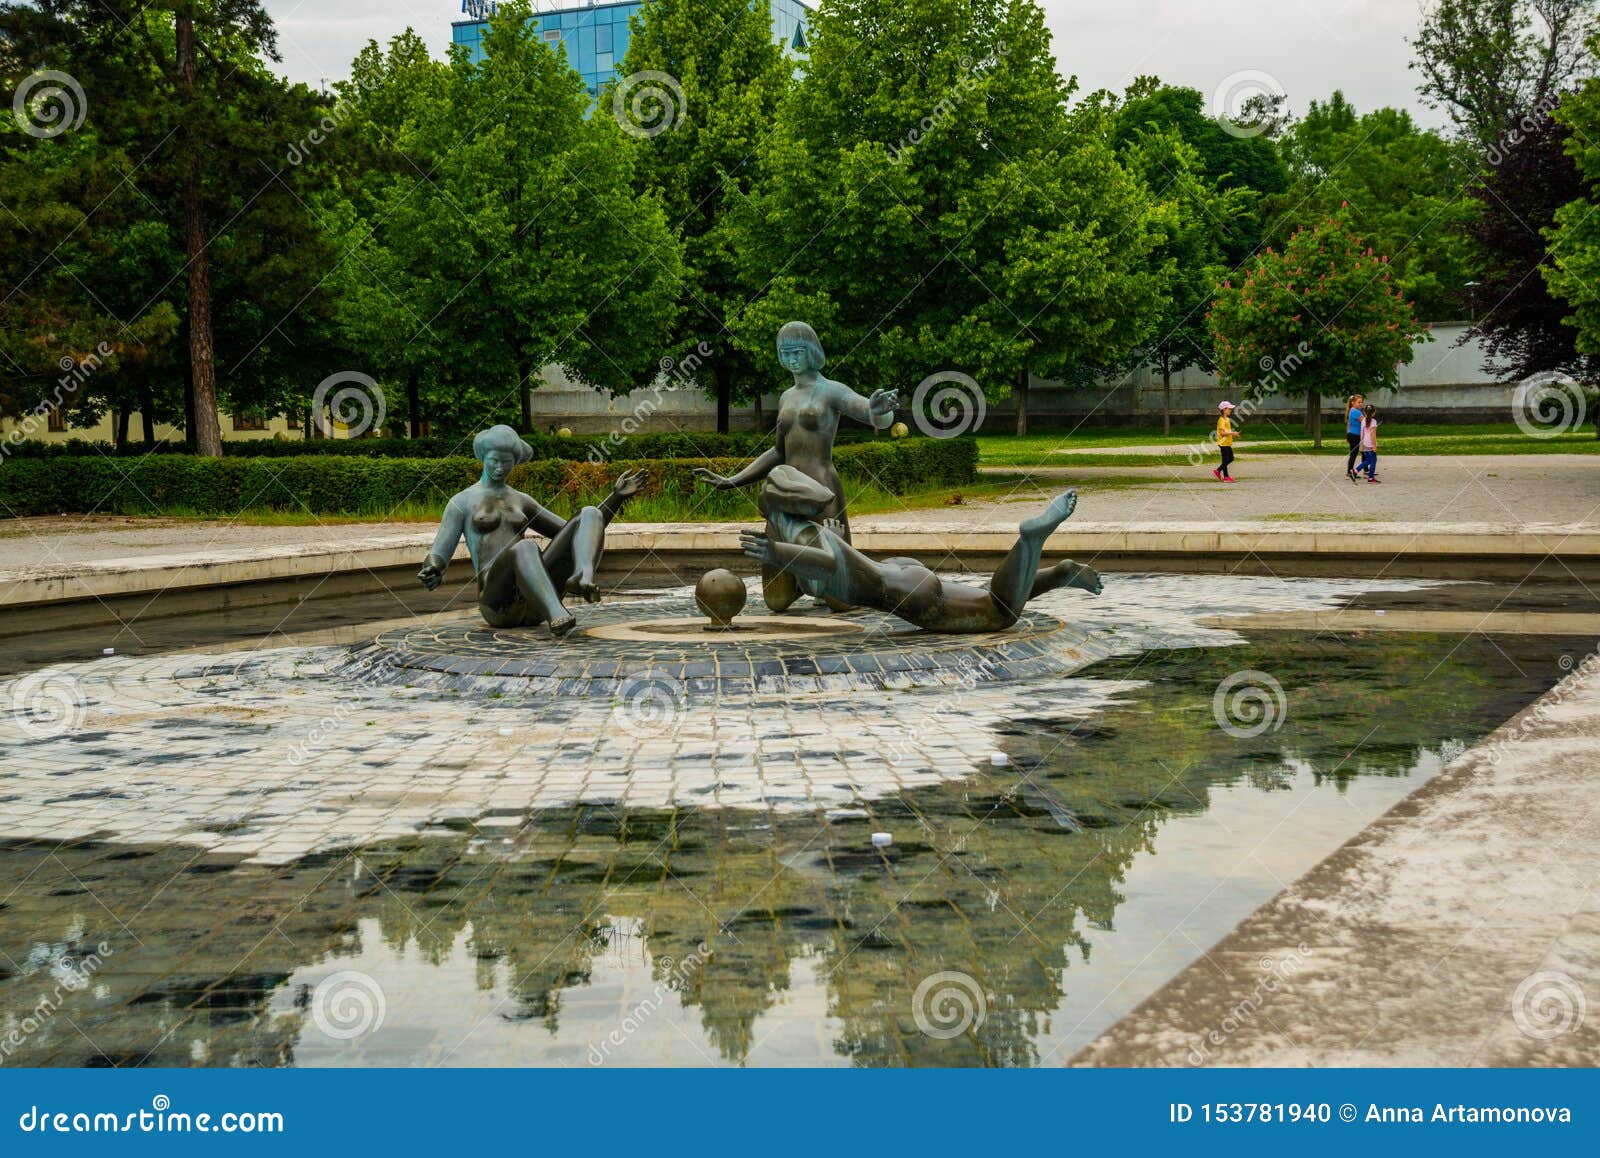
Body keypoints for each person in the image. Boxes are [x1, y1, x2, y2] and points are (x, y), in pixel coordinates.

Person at [738, 465, 1102, 634]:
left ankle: (1031, 539)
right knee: (990, 600)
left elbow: (830, 569)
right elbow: (834, 574)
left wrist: (777, 556)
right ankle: (1058, 575)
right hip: (899, 573)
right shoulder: (811, 529)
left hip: (902, 592)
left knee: (1001, 615)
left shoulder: (795, 537)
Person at [695, 322, 898, 611]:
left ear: (812, 351)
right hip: (785, 492)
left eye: (798, 351)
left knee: (841, 598)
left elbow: (868, 411)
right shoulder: (786, 397)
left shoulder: (832, 390)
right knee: (775, 601)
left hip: (822, 490)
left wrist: (881, 412)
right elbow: (779, 451)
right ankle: (801, 583)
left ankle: (854, 583)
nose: (792, 359)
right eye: (785, 352)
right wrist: (732, 480)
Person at [417, 424, 645, 635]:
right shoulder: (463, 501)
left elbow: (576, 532)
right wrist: (433, 568)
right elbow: (440, 551)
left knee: (589, 513)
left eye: (506, 462)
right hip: (498, 604)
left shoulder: (522, 500)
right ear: (483, 458)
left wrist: (615, 499)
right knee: (524, 547)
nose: (500, 468)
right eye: (494, 460)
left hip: (534, 604)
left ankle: (582, 577)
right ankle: (557, 614)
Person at [1213, 401, 1238, 482]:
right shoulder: (1221, 420)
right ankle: (1226, 477)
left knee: (1231, 458)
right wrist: (1232, 433)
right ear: (1224, 410)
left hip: (1227, 443)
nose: (1231, 410)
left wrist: (1233, 434)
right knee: (1225, 460)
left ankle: (1218, 471)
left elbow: (1226, 431)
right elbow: (1222, 433)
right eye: (1229, 409)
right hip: (1223, 443)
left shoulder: (1227, 419)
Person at [1344, 393, 1366, 481]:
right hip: (1354, 435)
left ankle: (1362, 470)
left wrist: (1347, 435)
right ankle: (1349, 472)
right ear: (1353, 402)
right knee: (1354, 454)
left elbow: (1348, 424)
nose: (1360, 404)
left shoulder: (1352, 411)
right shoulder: (1356, 412)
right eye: (1359, 402)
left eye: (1361, 402)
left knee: (1360, 453)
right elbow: (1364, 422)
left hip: (1352, 434)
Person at [1359, 406, 1381, 483]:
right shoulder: (1373, 421)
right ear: (1374, 413)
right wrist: (1374, 446)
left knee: (1368, 460)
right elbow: (1372, 435)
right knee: (1373, 461)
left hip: (1364, 443)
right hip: (1370, 444)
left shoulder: (1363, 420)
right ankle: (1371, 478)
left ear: (1364, 412)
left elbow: (1362, 433)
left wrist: (1361, 442)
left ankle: (1355, 471)